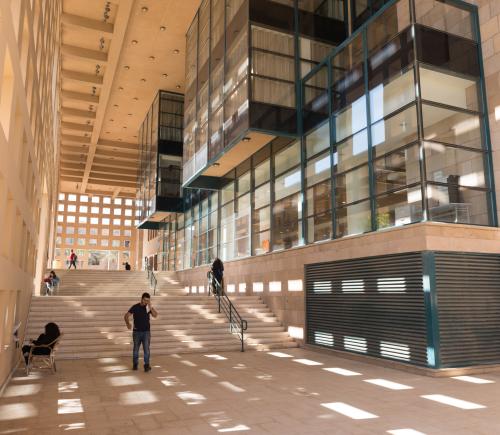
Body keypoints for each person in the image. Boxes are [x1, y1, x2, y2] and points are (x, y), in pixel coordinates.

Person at [124, 292, 157, 372]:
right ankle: (135, 364)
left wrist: (150, 307)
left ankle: (146, 365)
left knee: (146, 349)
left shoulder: (148, 308)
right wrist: (128, 323)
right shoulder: (135, 307)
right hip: (137, 332)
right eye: (145, 300)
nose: (146, 302)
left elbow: (155, 315)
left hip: (146, 332)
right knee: (135, 349)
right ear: (142, 299)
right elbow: (126, 315)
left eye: (148, 301)